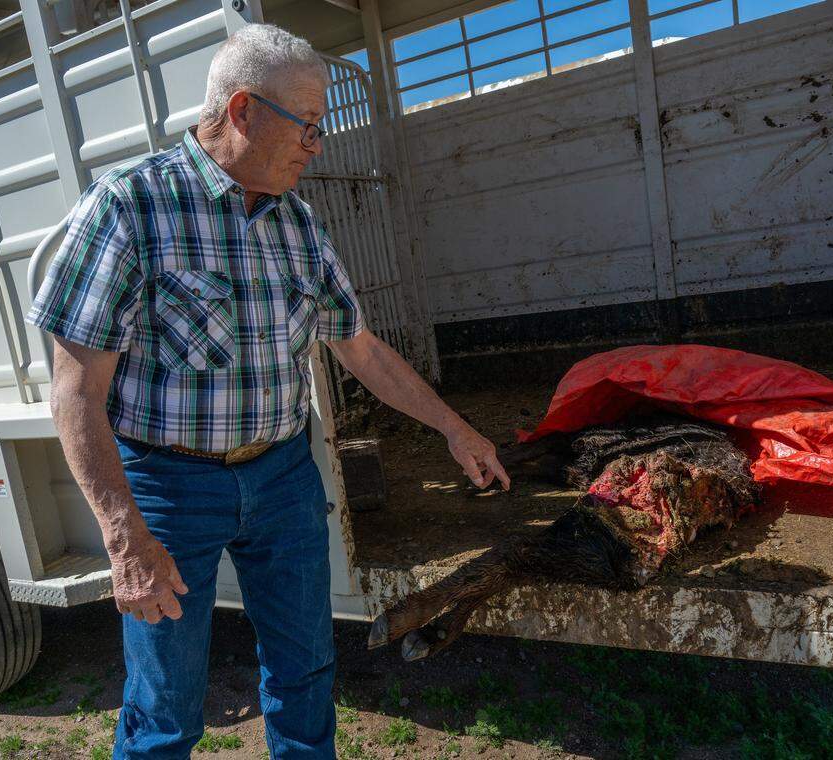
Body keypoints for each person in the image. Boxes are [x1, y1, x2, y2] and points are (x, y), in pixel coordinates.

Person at [27, 23, 509, 760]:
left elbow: (360, 346)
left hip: (283, 477)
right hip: (168, 486)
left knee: (306, 670)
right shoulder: (131, 207)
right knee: (165, 706)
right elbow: (75, 393)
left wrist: (453, 427)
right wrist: (125, 536)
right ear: (244, 110)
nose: (317, 146)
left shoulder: (297, 223)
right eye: (309, 126)